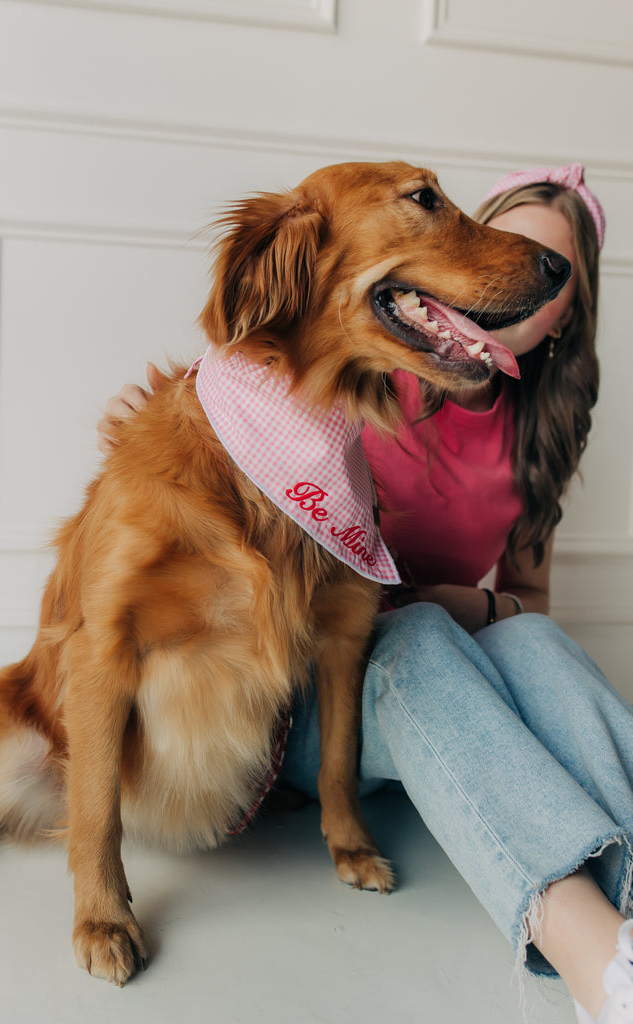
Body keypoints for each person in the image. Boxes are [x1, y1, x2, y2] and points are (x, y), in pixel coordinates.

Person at [97, 163, 633, 1024]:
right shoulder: (367, 365)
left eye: (549, 268)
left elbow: (527, 602)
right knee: (416, 634)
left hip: (434, 700)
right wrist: (160, 419)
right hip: (310, 697)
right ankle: (598, 963)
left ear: (567, 313)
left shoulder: (540, 436)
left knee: (527, 640)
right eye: (507, 240)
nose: (517, 270)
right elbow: (252, 397)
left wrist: (473, 605)